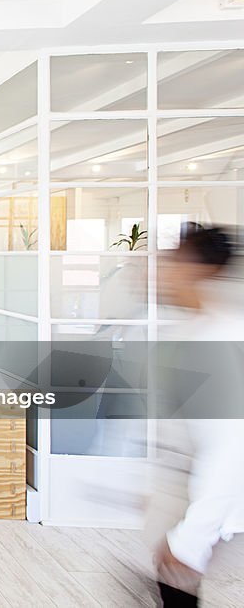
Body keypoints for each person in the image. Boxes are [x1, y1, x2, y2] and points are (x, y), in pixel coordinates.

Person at [151, 224, 244, 607]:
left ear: (199, 270)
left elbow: (233, 446)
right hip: (206, 510)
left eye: (174, 258)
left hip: (218, 515)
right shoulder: (197, 332)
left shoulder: (220, 342)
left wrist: (191, 539)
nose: (162, 268)